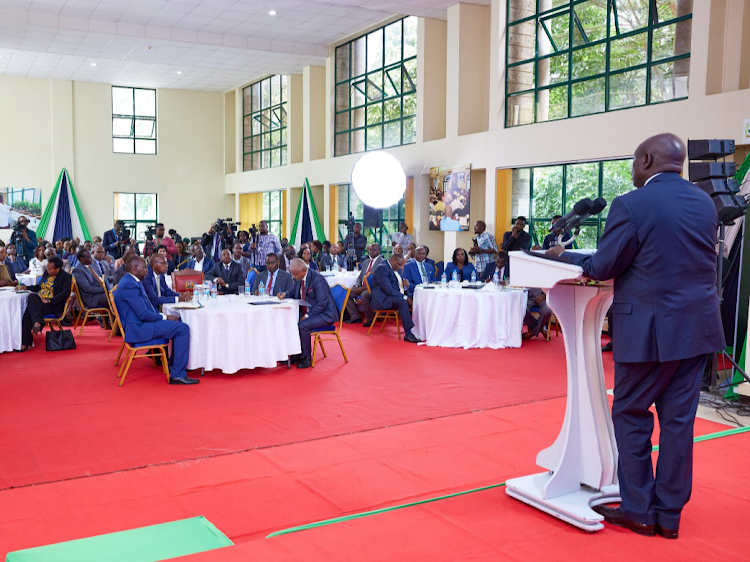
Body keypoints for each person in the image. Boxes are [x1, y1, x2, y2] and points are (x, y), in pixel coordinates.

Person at [547, 133, 724, 539]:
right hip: (697, 329)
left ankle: (639, 509)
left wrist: (568, 257)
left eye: (633, 159)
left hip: (650, 332)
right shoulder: (703, 202)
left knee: (630, 414)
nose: (632, 167)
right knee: (678, 423)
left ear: (646, 159)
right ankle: (670, 516)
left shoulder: (632, 203)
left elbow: (605, 263)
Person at [114, 256, 198, 385]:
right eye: (144, 268)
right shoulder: (129, 285)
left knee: (178, 323)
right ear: (135, 268)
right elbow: (143, 314)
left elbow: (146, 307)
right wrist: (164, 317)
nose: (147, 270)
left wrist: (162, 316)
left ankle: (174, 366)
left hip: (140, 323)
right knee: (182, 329)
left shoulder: (131, 281)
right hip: (138, 328)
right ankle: (178, 374)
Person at [279, 258, 339, 369]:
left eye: (295, 274)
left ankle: (306, 357)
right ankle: (297, 352)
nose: (293, 277)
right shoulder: (299, 277)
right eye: (292, 274)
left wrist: (307, 316)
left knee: (303, 325)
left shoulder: (318, 279)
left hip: (326, 314)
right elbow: (293, 292)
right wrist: (284, 294)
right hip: (313, 312)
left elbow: (322, 304)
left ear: (303, 270)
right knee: (291, 321)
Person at [17, 257, 72, 351]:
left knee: (28, 312)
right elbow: (39, 287)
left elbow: (65, 293)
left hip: (53, 305)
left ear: (57, 269)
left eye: (50, 269)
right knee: (32, 297)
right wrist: (26, 287)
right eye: (47, 268)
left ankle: (26, 343)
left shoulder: (65, 277)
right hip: (39, 303)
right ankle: (37, 322)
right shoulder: (47, 273)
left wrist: (50, 300)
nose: (48, 270)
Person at [370, 254, 420, 343]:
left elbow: (397, 287)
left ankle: (419, 329)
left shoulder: (396, 269)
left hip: (392, 297)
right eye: (399, 265)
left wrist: (405, 286)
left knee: (412, 300)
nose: (401, 267)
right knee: (403, 302)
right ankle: (408, 334)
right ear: (392, 261)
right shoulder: (382, 269)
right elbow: (388, 290)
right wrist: (405, 298)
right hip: (382, 299)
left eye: (402, 265)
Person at [344, 243, 385, 325]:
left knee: (364, 295)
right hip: (361, 286)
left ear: (379, 251)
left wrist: (364, 288)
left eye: (374, 250)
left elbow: (379, 281)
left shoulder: (382, 263)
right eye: (370, 250)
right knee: (347, 293)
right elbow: (360, 276)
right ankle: (356, 316)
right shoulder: (366, 261)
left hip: (374, 288)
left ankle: (370, 319)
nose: (371, 252)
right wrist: (356, 285)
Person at [72, 249, 111, 327]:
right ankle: (116, 325)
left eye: (91, 256)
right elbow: (87, 288)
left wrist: (113, 279)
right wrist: (104, 290)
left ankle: (111, 321)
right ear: (81, 259)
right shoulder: (78, 270)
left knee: (115, 295)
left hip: (99, 292)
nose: (91, 258)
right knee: (113, 298)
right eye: (88, 257)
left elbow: (100, 277)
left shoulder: (90, 265)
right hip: (91, 298)